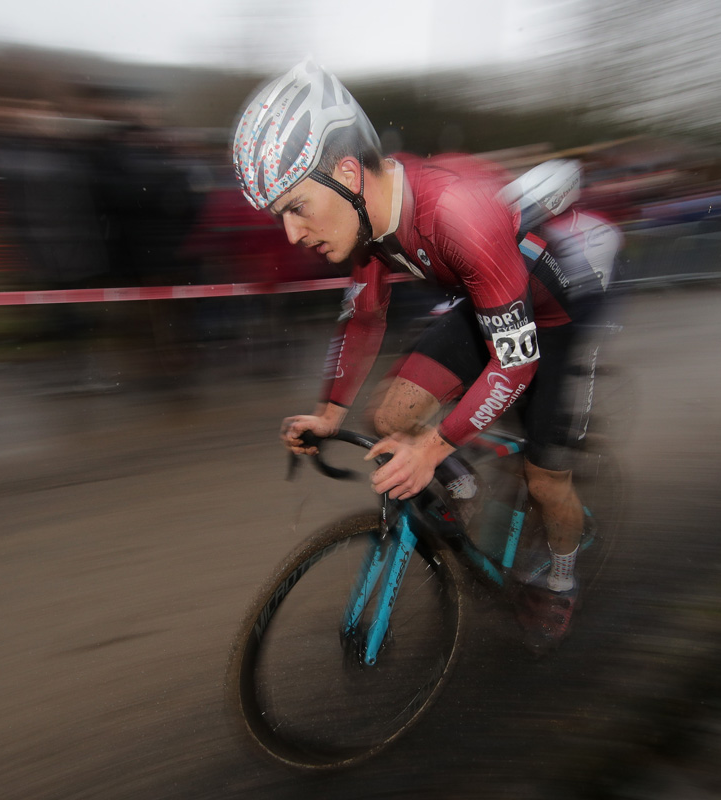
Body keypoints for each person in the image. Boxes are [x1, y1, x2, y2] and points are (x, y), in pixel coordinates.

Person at [231, 60, 621, 653]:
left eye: (296, 206)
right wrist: (328, 414)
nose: (290, 234)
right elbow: (364, 316)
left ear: (344, 173)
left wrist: (436, 445)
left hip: (554, 319)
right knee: (388, 417)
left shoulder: (456, 212)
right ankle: (462, 490)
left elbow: (515, 361)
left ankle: (562, 575)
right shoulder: (364, 217)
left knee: (545, 483)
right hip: (484, 300)